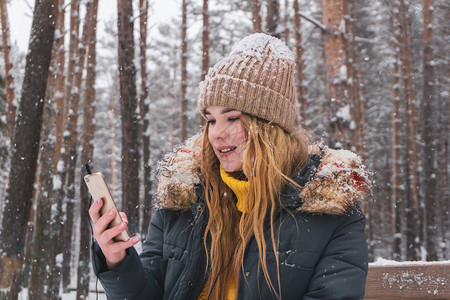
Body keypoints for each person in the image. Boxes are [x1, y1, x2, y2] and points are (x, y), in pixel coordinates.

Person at [89, 33, 370, 300]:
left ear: (270, 126)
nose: (216, 134)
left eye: (232, 118)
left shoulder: (328, 209)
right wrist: (117, 260)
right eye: (210, 120)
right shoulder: (185, 198)